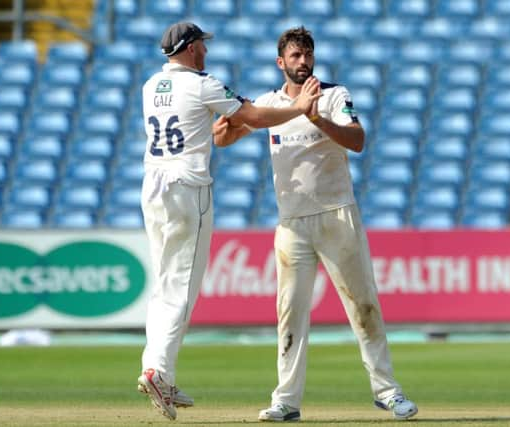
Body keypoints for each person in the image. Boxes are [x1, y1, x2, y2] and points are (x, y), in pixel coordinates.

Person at [213, 27, 418, 422]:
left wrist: (316, 118)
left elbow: (357, 141)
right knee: (289, 312)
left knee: (363, 306)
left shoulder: (334, 96)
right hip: (292, 223)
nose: (303, 62)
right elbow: (228, 136)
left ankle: (388, 392)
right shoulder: (270, 103)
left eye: (307, 54)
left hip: (337, 214)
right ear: (281, 62)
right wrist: (223, 131)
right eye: (295, 56)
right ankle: (286, 401)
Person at [136, 22, 322, 421]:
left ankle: (156, 369)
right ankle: (158, 371)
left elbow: (220, 125)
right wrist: (298, 108)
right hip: (188, 188)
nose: (205, 50)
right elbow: (252, 114)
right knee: (182, 288)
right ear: (189, 49)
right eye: (201, 44)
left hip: (152, 187)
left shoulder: (151, 85)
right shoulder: (202, 84)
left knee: (164, 283)